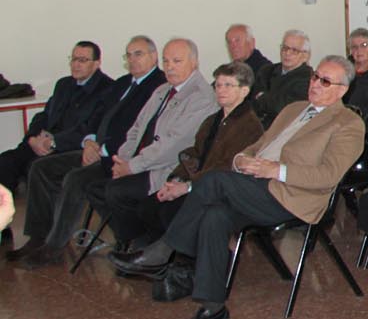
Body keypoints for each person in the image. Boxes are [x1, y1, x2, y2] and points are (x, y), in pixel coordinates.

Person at [112, 56, 366, 319]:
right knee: (214, 216)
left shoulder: (348, 123)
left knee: (213, 181)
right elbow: (257, 146)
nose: (315, 83)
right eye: (315, 76)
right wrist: (241, 159)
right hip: (254, 185)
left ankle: (162, 251)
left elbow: (328, 175)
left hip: (291, 197)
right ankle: (213, 306)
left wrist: (276, 170)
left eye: (325, 81)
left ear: (342, 89)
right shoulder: (293, 109)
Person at [9, 36, 165, 264]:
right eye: (128, 55)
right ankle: (38, 237)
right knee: (41, 167)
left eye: (138, 54)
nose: (132, 60)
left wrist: (104, 149)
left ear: (154, 56)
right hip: (97, 149)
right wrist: (90, 141)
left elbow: (139, 130)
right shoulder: (123, 83)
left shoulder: (159, 86)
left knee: (76, 179)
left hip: (121, 157)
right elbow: (100, 117)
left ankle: (54, 248)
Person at [104, 62, 264, 250]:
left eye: (228, 85)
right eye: (218, 85)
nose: (221, 90)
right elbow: (193, 153)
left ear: (244, 91)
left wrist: (187, 187)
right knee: (149, 206)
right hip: (198, 182)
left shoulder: (249, 126)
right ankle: (156, 255)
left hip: (218, 191)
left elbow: (226, 167)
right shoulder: (213, 119)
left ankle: (174, 259)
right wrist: (176, 179)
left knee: (168, 211)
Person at [0, 41, 113, 195]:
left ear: (96, 64)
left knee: (35, 166)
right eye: (73, 59)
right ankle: (5, 206)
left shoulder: (107, 89)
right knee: (6, 161)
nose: (76, 65)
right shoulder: (64, 84)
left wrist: (53, 142)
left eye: (82, 60)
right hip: (44, 141)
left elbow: (90, 128)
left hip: (68, 147)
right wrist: (32, 137)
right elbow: (43, 115)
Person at [251, 29, 313, 125]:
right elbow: (252, 103)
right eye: (285, 48)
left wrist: (262, 98)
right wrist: (270, 100)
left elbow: (284, 109)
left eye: (294, 50)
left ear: (305, 56)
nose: (287, 53)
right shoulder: (266, 70)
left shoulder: (309, 78)